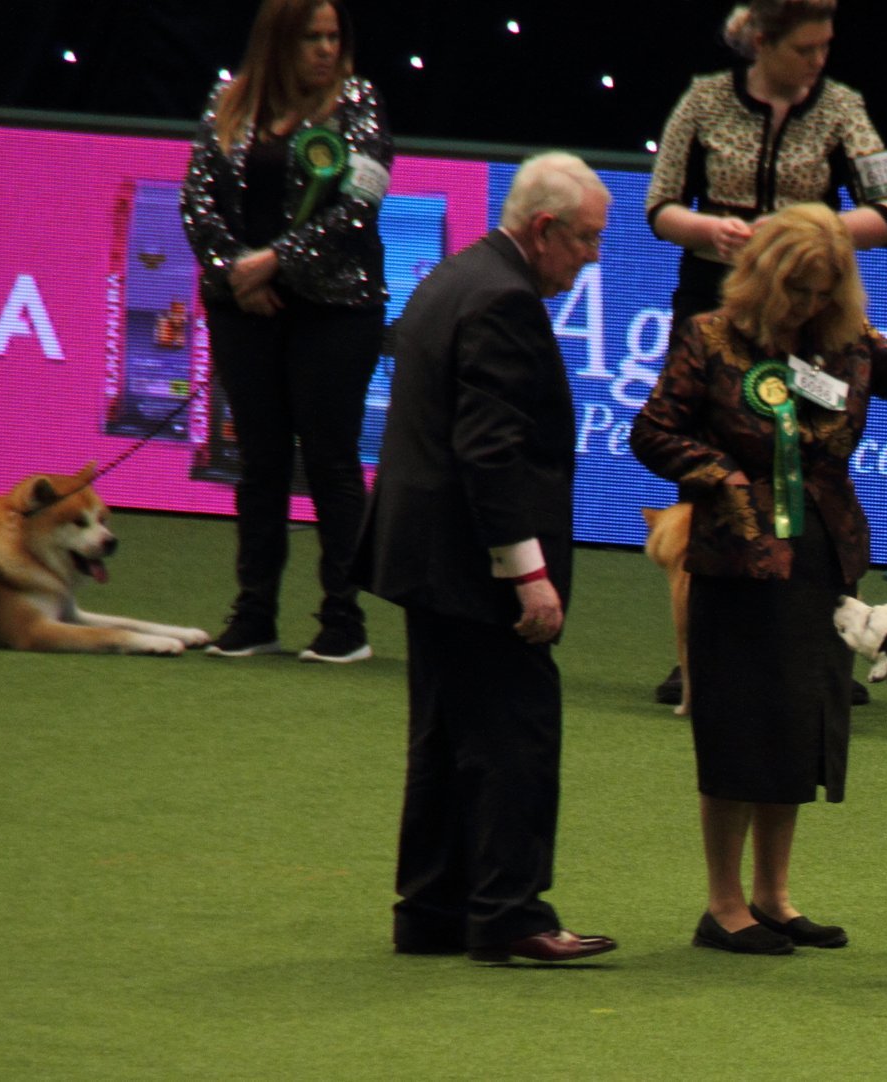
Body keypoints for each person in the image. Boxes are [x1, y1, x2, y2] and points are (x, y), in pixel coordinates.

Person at [630, 204, 887, 954]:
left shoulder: (845, 342)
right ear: (769, 280)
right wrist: (722, 476)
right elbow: (652, 432)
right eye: (801, 292)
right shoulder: (709, 340)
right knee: (738, 727)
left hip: (820, 557)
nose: (812, 306)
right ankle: (723, 905)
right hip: (739, 558)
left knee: (796, 725)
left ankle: (774, 896)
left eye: (825, 291)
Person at [352, 152, 617, 964]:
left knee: (442, 734)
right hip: (474, 562)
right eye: (585, 240)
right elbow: (490, 453)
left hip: (422, 553)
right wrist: (528, 575)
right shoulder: (505, 301)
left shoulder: (454, 275)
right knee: (515, 735)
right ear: (544, 229)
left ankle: (431, 910)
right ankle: (511, 915)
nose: (593, 258)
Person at [644, 0, 887, 706]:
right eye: (805, 48)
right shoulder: (702, 100)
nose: (819, 61)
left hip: (809, 315)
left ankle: (824, 650)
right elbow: (660, 205)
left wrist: (806, 231)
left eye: (826, 47)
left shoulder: (843, 108)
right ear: (761, 42)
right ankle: (698, 650)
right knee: (708, 475)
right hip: (714, 302)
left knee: (814, 468)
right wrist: (709, 227)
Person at [181, 0, 389, 663]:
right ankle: (254, 615)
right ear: (279, 41)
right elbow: (197, 201)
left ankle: (342, 620)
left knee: (330, 460)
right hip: (246, 309)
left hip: (337, 310)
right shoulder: (228, 101)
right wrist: (240, 272)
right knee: (261, 462)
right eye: (311, 38)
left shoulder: (359, 103)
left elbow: (359, 205)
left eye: (334, 36)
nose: (326, 49)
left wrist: (277, 262)